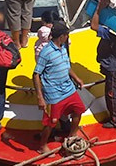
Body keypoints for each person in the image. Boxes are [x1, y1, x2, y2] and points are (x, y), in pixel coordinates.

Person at [34, 22, 86, 153]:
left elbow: (67, 67)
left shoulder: (63, 48)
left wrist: (77, 78)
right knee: (51, 122)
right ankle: (42, 146)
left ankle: (72, 135)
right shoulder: (46, 52)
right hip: (53, 94)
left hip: (68, 90)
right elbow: (36, 74)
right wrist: (40, 97)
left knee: (79, 110)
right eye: (67, 34)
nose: (68, 36)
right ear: (62, 36)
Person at [91, 0, 116, 129]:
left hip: (114, 69)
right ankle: (115, 116)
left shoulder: (111, 34)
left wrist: (98, 9)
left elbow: (94, 26)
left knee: (112, 94)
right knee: (113, 91)